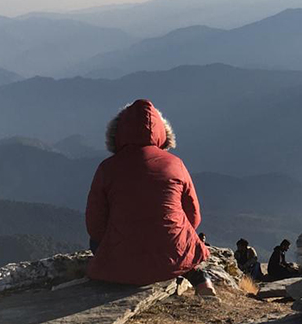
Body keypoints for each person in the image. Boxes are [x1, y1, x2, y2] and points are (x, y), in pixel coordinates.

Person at [85, 99, 216, 297]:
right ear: (162, 133)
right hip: (171, 258)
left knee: (94, 243)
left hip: (121, 263)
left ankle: (123, 271)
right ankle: (200, 279)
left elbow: (95, 226)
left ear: (116, 133)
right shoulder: (175, 164)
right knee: (186, 240)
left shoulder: (107, 168)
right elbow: (194, 217)